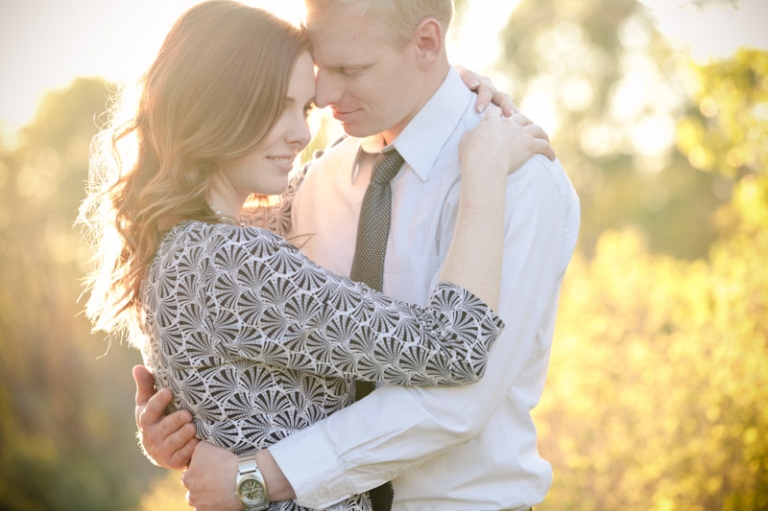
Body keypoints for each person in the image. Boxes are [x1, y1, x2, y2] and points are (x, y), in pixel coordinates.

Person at [79, 1, 556, 510]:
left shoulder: (210, 233)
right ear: (212, 107)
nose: (305, 130)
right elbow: (453, 349)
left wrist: (449, 94)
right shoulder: (230, 257)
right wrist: (483, 168)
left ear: (425, 44)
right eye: (278, 105)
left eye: (304, 106)